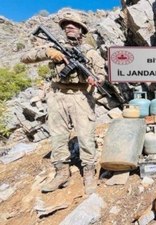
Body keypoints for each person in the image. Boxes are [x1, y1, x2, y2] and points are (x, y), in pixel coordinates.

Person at [20, 11, 107, 195]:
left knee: (85, 134)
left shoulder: (90, 52)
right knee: (58, 135)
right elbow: (25, 57)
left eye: (73, 24)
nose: (69, 26)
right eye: (66, 24)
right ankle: (61, 172)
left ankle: (89, 172)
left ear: (81, 30)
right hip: (57, 94)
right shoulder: (54, 47)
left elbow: (101, 74)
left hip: (81, 96)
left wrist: (96, 80)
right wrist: (48, 52)